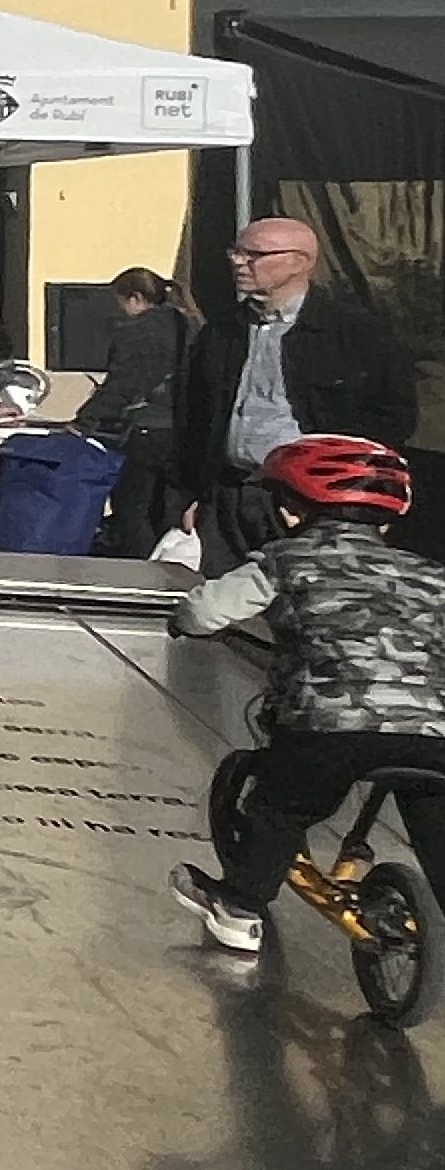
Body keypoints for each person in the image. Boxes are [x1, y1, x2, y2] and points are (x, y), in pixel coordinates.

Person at [165, 434, 445, 954]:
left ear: (290, 512)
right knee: (436, 823)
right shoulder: (431, 576)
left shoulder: (285, 560)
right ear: (387, 521)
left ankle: (240, 907)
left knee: (281, 807)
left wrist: (183, 622)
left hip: (329, 724)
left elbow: (204, 611)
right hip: (432, 729)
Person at [173, 218, 419, 573]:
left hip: (312, 503)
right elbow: (193, 416)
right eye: (236, 252)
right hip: (229, 496)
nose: (238, 262)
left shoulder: (354, 334)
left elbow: (393, 418)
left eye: (253, 254)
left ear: (299, 262)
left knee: (301, 602)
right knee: (225, 605)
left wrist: (351, 498)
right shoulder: (222, 332)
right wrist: (192, 494)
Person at [77, 265, 191, 557]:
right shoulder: (189, 325)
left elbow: (123, 384)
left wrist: (86, 419)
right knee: (168, 509)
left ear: (135, 298)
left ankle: (137, 570)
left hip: (144, 428)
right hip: (184, 429)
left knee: (132, 507)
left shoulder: (135, 331)